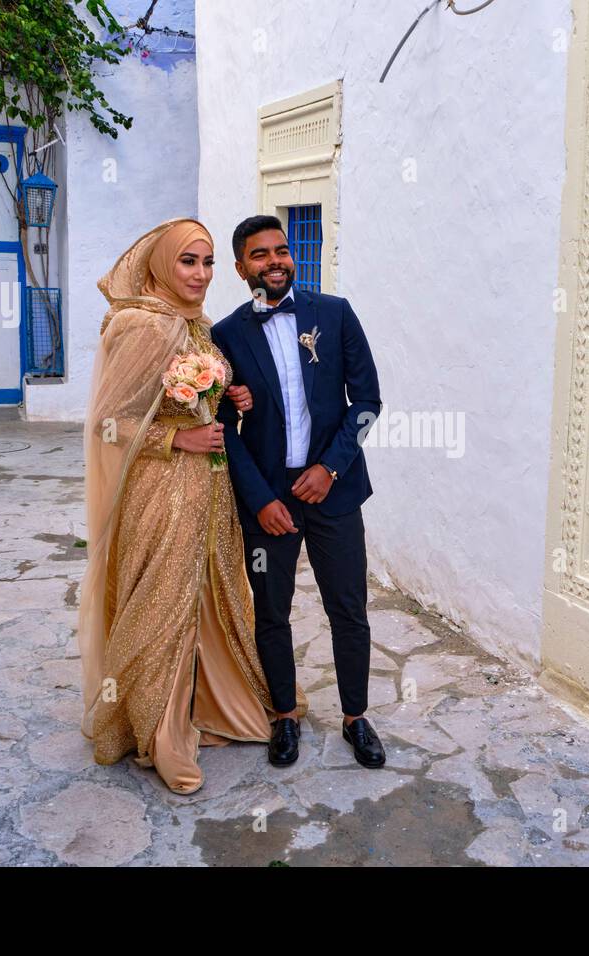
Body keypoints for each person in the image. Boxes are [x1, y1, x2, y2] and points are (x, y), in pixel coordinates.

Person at [76, 218, 307, 795]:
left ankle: (209, 704)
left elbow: (202, 404)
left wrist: (232, 398)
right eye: (188, 261)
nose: (201, 274)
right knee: (162, 603)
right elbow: (108, 424)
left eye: (207, 263)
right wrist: (177, 438)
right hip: (162, 489)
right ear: (161, 264)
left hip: (210, 485)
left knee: (211, 595)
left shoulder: (196, 324)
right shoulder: (142, 324)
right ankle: (160, 731)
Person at [210, 214, 384, 769]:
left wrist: (330, 468)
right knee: (271, 611)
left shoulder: (334, 313)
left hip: (334, 491)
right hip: (270, 500)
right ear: (240, 267)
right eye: (260, 254)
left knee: (348, 608)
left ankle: (356, 717)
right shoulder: (225, 336)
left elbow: (367, 402)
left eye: (281, 250)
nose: (275, 261)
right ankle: (284, 714)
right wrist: (260, 499)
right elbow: (223, 428)